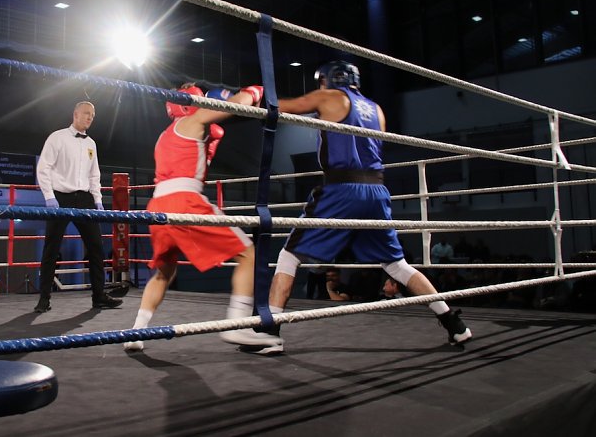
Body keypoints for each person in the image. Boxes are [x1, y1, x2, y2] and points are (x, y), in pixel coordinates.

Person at [261, 61, 472, 353]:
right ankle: (454, 325)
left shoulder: (330, 97)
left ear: (328, 80)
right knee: (396, 264)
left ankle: (269, 334)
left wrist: (245, 95)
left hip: (341, 188)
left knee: (289, 255)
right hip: (376, 190)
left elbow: (283, 106)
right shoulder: (376, 110)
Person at [123, 83, 283, 352]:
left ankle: (136, 332)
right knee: (248, 254)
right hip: (185, 200)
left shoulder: (165, 135)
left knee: (164, 272)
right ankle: (238, 326)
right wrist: (255, 91)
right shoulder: (195, 119)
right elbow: (238, 104)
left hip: (158, 205)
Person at [34, 101, 122, 312]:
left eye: (92, 115)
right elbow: (43, 167)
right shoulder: (57, 137)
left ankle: (99, 296)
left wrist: (98, 199)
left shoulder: (91, 143)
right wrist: (48, 196)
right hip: (61, 198)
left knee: (96, 248)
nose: (90, 117)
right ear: (75, 114)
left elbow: (94, 174)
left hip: (85, 200)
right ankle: (44, 299)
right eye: (86, 113)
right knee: (51, 249)